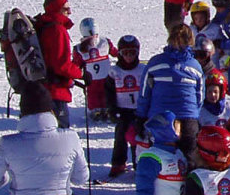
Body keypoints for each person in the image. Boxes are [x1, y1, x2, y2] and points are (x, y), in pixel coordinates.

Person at [135, 23, 205, 161]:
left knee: (160, 154)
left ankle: (159, 179)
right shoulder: (195, 66)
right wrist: (194, 113)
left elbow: (144, 91)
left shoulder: (156, 63)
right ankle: (187, 179)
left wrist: (141, 115)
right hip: (187, 116)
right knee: (189, 156)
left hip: (160, 115)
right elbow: (200, 95)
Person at [32, 0, 84, 129]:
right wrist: (81, 73)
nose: (70, 12)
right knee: (60, 136)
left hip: (42, 90)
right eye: (65, 8)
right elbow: (61, 65)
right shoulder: (57, 30)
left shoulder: (44, 26)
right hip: (55, 92)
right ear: (56, 9)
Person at [106, 35, 145, 176]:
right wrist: (111, 109)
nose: (129, 57)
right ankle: (118, 163)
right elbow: (109, 93)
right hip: (122, 110)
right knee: (120, 137)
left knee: (138, 138)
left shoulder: (142, 70)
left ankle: (138, 164)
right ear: (120, 54)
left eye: (132, 53)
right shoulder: (114, 72)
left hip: (139, 111)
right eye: (125, 53)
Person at [74, 17, 116, 124]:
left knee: (105, 93)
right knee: (94, 94)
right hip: (93, 79)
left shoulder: (104, 42)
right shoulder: (81, 48)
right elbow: (76, 64)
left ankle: (106, 108)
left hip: (104, 78)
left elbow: (115, 52)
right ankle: (96, 110)